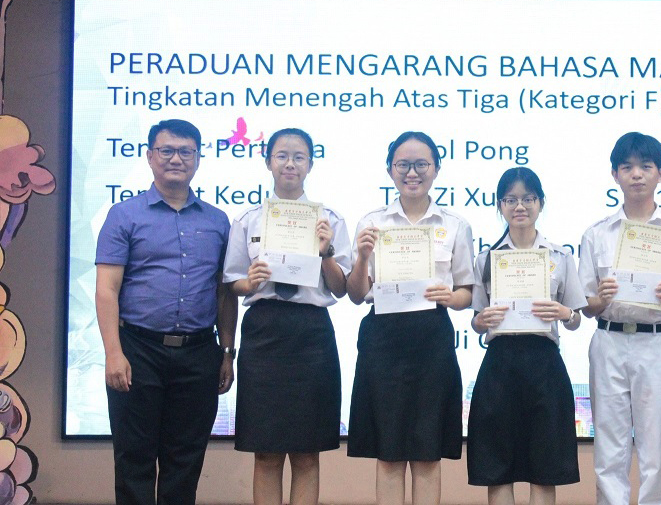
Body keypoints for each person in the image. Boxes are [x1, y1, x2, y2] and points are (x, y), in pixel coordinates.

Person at [96, 118, 236, 505]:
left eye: (186, 152)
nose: (176, 159)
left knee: (185, 461)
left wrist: (227, 351)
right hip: (138, 350)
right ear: (149, 156)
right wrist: (113, 353)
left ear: (198, 158)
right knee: (134, 458)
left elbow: (225, 292)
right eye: (167, 151)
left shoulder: (218, 220)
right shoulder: (124, 215)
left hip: (199, 353)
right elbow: (107, 289)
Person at [222, 128, 350, 505]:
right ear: (268, 162)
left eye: (299, 156)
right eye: (282, 155)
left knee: (307, 452)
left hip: (311, 335)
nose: (290, 163)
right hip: (264, 333)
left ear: (310, 164)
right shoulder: (248, 220)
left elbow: (341, 288)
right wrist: (250, 281)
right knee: (266, 452)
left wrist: (325, 253)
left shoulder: (330, 220)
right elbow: (232, 282)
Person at [347, 131, 473, 505]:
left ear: (436, 169)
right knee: (388, 452)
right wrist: (362, 258)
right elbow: (356, 294)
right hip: (383, 338)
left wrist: (450, 297)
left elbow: (467, 293)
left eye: (421, 164)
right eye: (403, 164)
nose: (412, 172)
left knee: (427, 451)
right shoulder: (372, 222)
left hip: (432, 338)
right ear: (390, 169)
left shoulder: (456, 225)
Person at [578, 132, 661, 505]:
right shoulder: (596, 234)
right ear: (614, 175)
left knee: (656, 448)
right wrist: (600, 299)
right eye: (628, 167)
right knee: (609, 448)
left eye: (646, 166)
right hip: (609, 341)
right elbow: (585, 304)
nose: (637, 174)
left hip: (658, 342)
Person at [468, 167, 586, 505]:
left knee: (545, 467)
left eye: (528, 198)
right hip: (499, 365)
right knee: (497, 466)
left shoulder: (560, 256)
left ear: (540, 203)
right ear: (500, 205)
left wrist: (565, 313)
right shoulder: (486, 260)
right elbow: (476, 320)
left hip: (544, 365)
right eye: (511, 200)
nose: (520, 206)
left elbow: (576, 319)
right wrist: (482, 320)